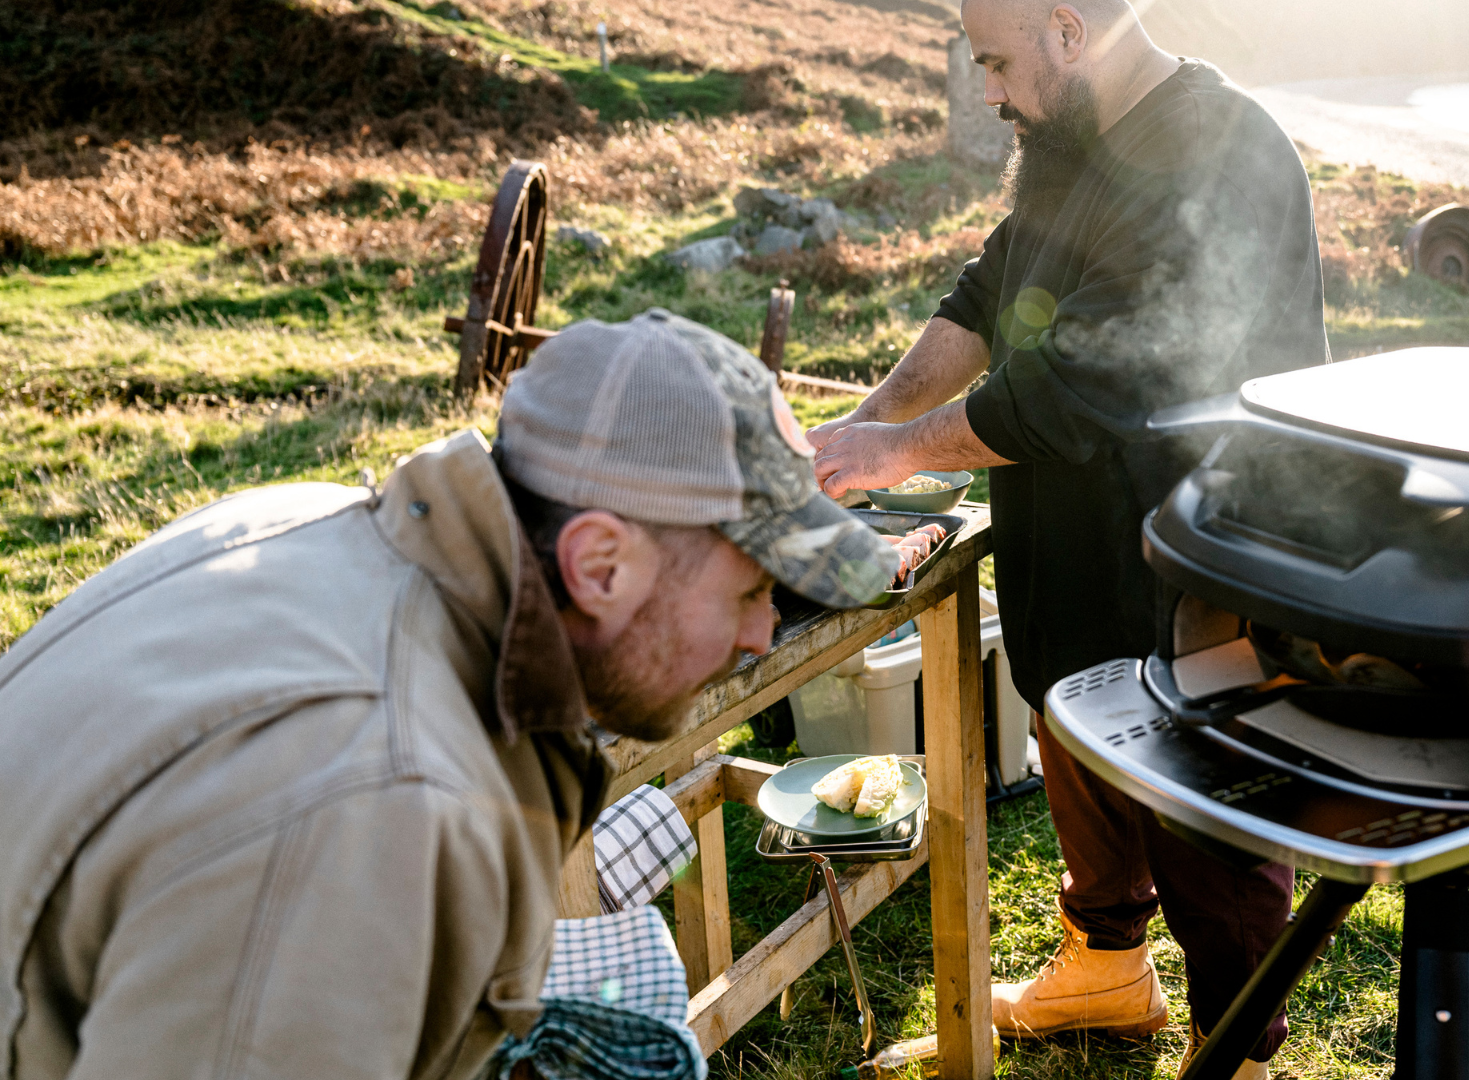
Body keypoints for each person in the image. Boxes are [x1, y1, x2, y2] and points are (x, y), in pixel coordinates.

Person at [0, 310, 902, 1079]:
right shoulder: (371, 804)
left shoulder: (320, 524)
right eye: (750, 592)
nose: (758, 635)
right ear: (598, 564)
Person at [806, 0, 1328, 1074]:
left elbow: (1080, 385)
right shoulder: (1065, 136)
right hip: (1075, 536)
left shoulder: (1215, 148)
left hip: (1202, 546)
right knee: (1071, 720)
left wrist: (902, 455)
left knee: (1204, 800)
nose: (988, 90)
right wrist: (868, 426)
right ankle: (1106, 968)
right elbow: (993, 289)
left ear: (1068, 27)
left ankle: (1240, 1046)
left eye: (995, 61)